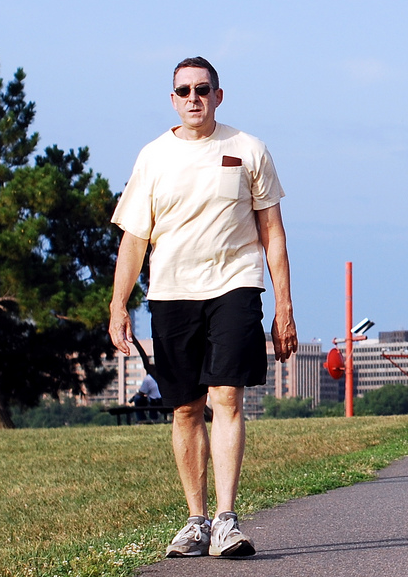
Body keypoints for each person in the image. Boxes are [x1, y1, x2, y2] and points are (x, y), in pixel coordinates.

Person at [108, 56, 298, 558]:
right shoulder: (152, 157)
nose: (194, 98)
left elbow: (273, 234)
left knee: (226, 397)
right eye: (184, 91)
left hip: (235, 284)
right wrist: (117, 305)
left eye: (203, 89)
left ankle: (226, 521)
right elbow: (134, 239)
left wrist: (285, 308)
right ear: (173, 99)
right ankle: (195, 521)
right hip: (171, 292)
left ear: (218, 95)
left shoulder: (248, 149)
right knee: (186, 406)